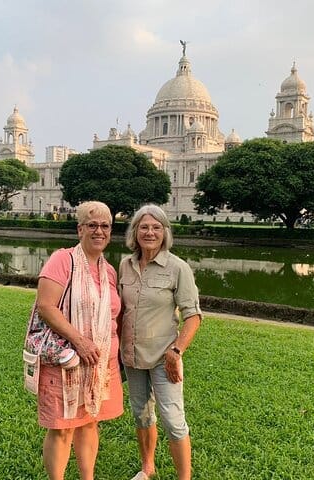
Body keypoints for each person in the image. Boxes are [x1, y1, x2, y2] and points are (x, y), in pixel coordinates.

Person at [35, 200, 123, 480]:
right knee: (62, 428)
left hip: (100, 364)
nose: (99, 231)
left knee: (89, 422)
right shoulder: (63, 260)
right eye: (92, 225)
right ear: (80, 229)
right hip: (68, 360)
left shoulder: (109, 271)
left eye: (105, 226)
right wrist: (81, 342)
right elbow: (46, 306)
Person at [118, 204, 202, 480]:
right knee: (141, 414)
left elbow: (193, 316)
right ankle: (147, 468)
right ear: (135, 232)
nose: (150, 232)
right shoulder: (125, 265)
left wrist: (176, 351)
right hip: (132, 355)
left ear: (165, 232)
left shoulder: (178, 268)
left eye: (156, 227)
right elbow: (121, 310)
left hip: (164, 357)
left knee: (173, 420)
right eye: (144, 227)